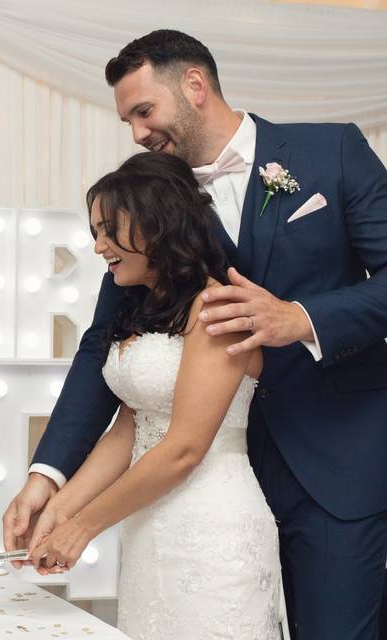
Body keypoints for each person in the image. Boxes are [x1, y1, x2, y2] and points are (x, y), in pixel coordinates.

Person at [4, 30, 387, 640]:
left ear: (195, 85)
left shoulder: (331, 152)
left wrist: (302, 318)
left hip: (332, 465)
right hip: (193, 498)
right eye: (127, 119)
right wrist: (46, 476)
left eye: (143, 111)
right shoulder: (153, 203)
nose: (136, 131)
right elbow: (103, 347)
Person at [30, 150, 281, 637]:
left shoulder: (217, 310)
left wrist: (83, 528)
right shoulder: (143, 308)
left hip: (212, 532)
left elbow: (184, 449)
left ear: (156, 225)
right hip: (148, 526)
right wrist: (59, 509)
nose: (100, 246)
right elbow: (128, 430)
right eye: (95, 233)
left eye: (109, 230)